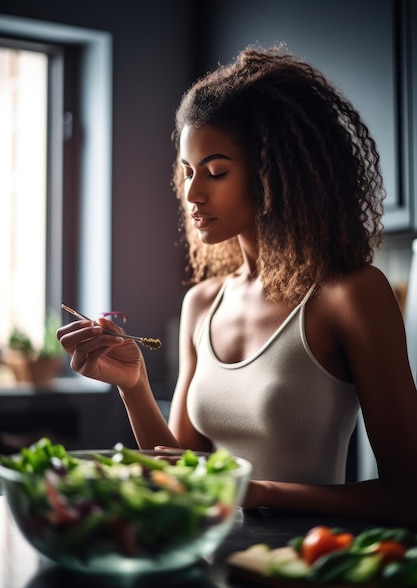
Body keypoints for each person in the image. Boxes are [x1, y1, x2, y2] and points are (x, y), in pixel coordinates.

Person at [57, 46, 417, 525]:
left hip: (299, 571)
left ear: (275, 174)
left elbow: (408, 494)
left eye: (216, 171)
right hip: (204, 561)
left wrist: (259, 490)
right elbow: (183, 468)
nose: (191, 193)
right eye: (187, 171)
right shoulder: (202, 303)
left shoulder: (349, 295)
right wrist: (134, 386)